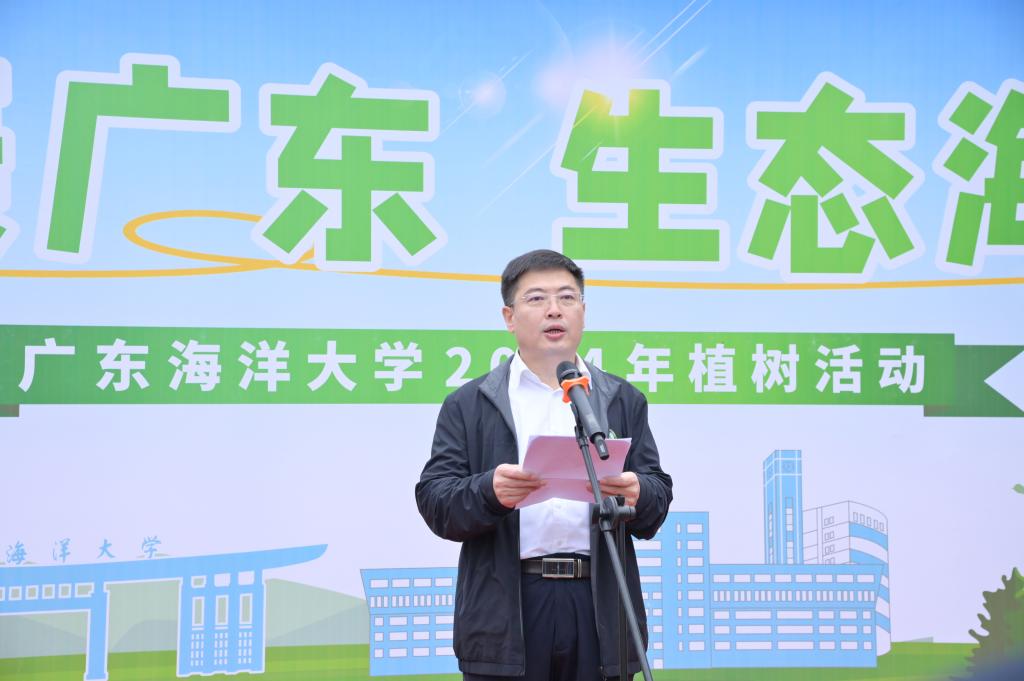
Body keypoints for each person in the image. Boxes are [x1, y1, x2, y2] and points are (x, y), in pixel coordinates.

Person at [416, 249, 673, 681]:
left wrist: (637, 492)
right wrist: (488, 492)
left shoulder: (621, 399)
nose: (554, 310)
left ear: (583, 312)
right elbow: (435, 500)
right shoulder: (469, 403)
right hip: (509, 610)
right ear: (509, 316)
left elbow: (657, 497)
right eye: (536, 299)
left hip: (598, 608)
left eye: (567, 298)